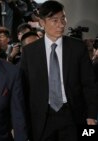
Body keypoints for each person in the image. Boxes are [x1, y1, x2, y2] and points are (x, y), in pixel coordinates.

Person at [20, 1, 98, 141]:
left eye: (63, 18)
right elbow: (24, 90)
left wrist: (91, 116)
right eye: (54, 20)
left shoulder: (78, 47)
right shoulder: (29, 52)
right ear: (42, 23)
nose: (61, 24)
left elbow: (89, 85)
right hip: (42, 118)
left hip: (73, 116)